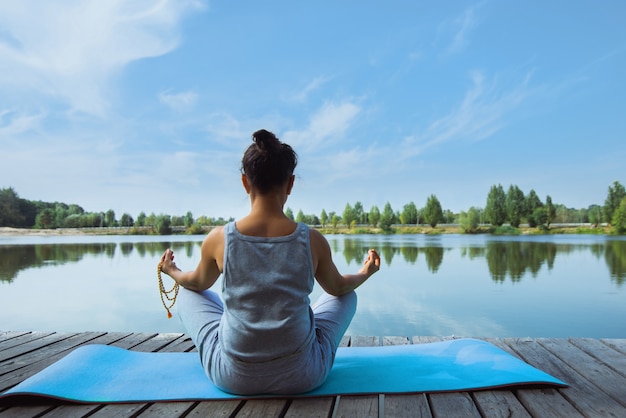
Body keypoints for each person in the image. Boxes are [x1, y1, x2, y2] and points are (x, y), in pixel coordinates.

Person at [159, 129, 380, 395]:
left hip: (232, 378)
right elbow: (338, 288)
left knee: (187, 293)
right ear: (290, 184)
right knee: (347, 295)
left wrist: (172, 271)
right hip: (304, 376)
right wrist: (365, 272)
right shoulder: (312, 240)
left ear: (245, 182)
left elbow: (195, 282)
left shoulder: (219, 239)